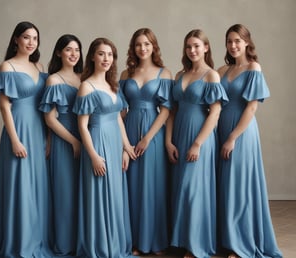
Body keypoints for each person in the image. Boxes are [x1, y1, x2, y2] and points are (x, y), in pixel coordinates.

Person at [0, 21, 52, 257]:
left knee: (36, 187)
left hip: (38, 131)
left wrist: (48, 139)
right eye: (26, 37)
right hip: (19, 130)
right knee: (20, 186)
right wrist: (14, 140)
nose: (31, 42)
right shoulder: (8, 66)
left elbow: (45, 107)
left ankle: (35, 238)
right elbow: (5, 107)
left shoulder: (39, 66)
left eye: (35, 38)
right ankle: (19, 242)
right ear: (16, 39)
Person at [217, 24, 283, 258]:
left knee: (239, 186)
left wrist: (232, 137)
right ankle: (226, 239)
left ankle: (241, 243)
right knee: (224, 186)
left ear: (246, 42)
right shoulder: (222, 70)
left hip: (241, 132)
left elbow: (252, 107)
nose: (233, 45)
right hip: (220, 129)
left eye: (237, 40)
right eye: (229, 41)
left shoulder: (254, 67)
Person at [165, 29, 228, 258]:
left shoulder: (211, 75)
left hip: (200, 137)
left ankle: (197, 244)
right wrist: (168, 141)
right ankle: (181, 241)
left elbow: (215, 112)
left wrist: (198, 144)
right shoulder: (180, 75)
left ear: (206, 48)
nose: (192, 50)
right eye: (188, 46)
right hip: (179, 136)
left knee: (195, 190)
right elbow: (171, 112)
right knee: (180, 187)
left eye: (196, 46)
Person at [73, 37, 137, 258]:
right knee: (99, 196)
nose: (106, 58)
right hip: (98, 142)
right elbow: (82, 125)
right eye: (101, 53)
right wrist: (93, 156)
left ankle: (115, 244)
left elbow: (118, 118)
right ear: (92, 56)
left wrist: (125, 148)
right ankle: (100, 248)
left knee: (116, 196)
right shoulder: (86, 86)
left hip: (114, 142)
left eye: (110, 54)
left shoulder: (113, 85)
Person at [119, 28, 173, 255]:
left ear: (154, 47)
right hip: (129, 130)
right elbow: (119, 111)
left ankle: (156, 242)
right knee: (131, 187)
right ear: (133, 47)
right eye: (138, 44)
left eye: (147, 44)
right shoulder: (124, 74)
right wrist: (122, 143)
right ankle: (135, 242)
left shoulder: (164, 73)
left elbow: (166, 110)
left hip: (153, 133)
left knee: (153, 187)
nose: (142, 48)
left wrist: (147, 139)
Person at [39, 34, 83, 256]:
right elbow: (49, 119)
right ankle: (65, 244)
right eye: (68, 50)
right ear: (59, 53)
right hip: (64, 139)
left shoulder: (84, 77)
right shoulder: (53, 80)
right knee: (65, 193)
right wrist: (74, 141)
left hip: (85, 138)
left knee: (82, 193)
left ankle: (81, 241)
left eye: (76, 50)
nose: (73, 54)